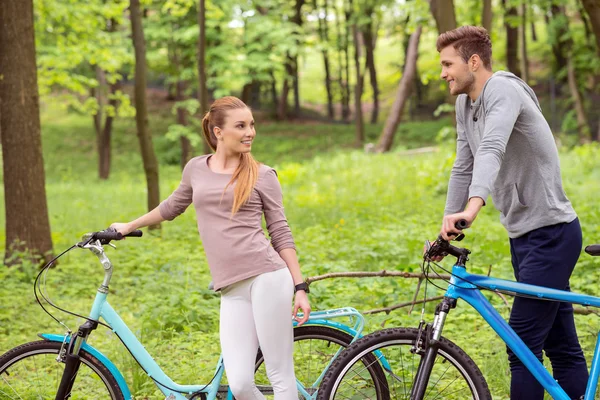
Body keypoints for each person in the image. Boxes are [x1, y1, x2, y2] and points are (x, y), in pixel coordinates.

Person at [111, 96, 310, 400]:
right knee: (241, 384)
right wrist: (128, 226)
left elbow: (280, 233)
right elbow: (171, 207)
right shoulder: (196, 169)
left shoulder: (263, 175)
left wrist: (300, 286)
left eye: (252, 125)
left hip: (267, 277)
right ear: (218, 132)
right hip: (231, 289)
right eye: (241, 126)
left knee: (279, 373)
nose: (250, 132)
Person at [434, 26, 588, 399]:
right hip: (524, 237)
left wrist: (473, 207)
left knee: (521, 345)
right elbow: (464, 163)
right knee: (560, 345)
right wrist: (447, 222)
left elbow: (492, 147)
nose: (442, 73)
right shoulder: (464, 104)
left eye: (447, 63)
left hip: (553, 234)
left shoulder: (504, 90)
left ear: (474, 61)